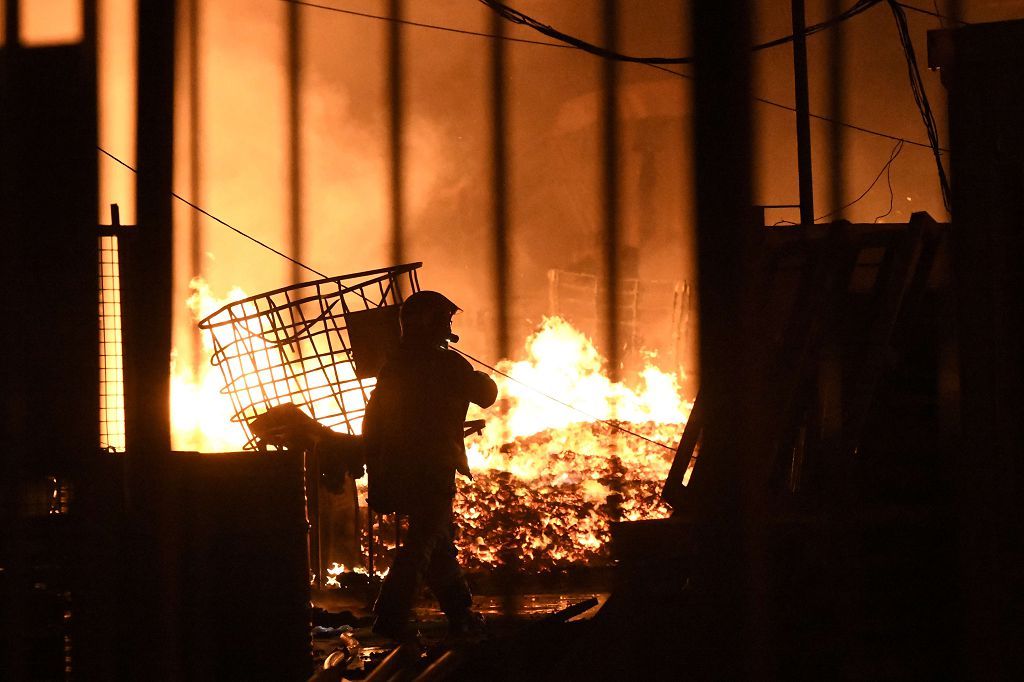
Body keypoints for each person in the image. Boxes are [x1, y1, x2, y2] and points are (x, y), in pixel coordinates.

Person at [362, 290, 498, 642]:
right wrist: (482, 376)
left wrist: (375, 467)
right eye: (445, 320)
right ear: (433, 324)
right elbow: (485, 395)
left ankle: (460, 613)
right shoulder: (446, 365)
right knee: (423, 543)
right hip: (433, 468)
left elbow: (372, 421)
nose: (449, 327)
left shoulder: (393, 366)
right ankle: (390, 615)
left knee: (437, 541)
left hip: (398, 469)